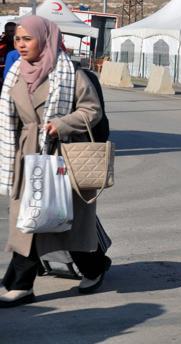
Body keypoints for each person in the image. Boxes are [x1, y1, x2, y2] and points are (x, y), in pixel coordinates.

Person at [0, 16, 111, 307]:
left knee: (65, 220)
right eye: (18, 40)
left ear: (45, 39)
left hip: (62, 156)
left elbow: (92, 110)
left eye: (28, 39)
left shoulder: (70, 73)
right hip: (26, 155)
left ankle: (95, 266)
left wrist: (60, 125)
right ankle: (22, 285)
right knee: (28, 221)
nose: (21, 45)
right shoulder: (15, 72)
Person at [0, 22, 17, 88]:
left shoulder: (21, 44)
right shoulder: (1, 44)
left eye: (12, 31)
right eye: (7, 31)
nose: (9, 33)